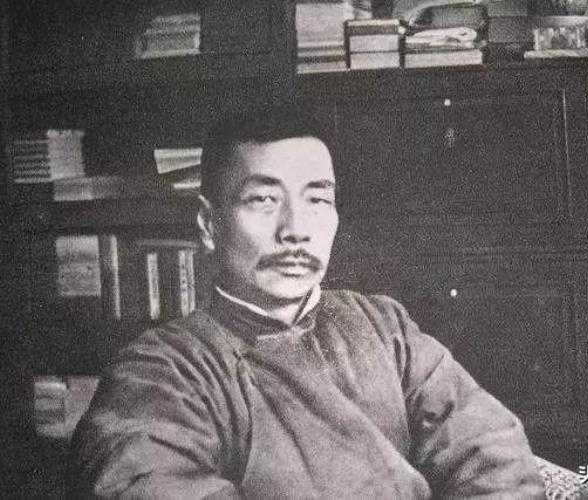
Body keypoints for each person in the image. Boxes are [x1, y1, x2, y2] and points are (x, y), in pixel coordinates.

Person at [68, 108, 545, 499]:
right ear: (209, 226)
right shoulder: (161, 372)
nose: (295, 230)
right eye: (263, 200)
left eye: (317, 200)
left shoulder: (382, 325)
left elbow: (491, 450)